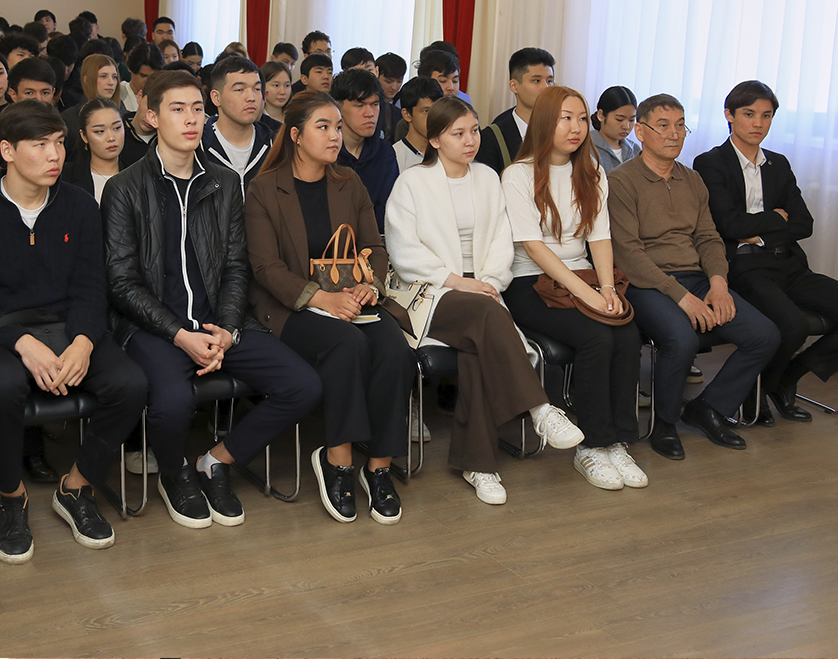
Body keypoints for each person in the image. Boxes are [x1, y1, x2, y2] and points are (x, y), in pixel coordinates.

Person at [101, 70, 321, 530]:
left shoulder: (223, 183)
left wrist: (227, 329)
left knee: (303, 385)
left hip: (219, 322)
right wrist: (179, 335)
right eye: (177, 109)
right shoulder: (125, 188)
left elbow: (237, 266)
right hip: (154, 328)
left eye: (198, 109)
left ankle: (216, 461)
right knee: (173, 402)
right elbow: (122, 283)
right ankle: (174, 474)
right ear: (151, 116)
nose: (190, 119)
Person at [0, 101, 148, 562]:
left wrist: (83, 341)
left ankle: (76, 486)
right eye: (40, 145)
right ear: (7, 151)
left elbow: (92, 287)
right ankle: (10, 496)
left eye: (59, 143)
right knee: (0, 388)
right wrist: (24, 344)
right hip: (0, 331)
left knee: (131, 383)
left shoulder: (79, 205)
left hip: (68, 325)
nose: (54, 155)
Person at [386, 97, 583, 505]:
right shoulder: (412, 182)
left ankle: (479, 464)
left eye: (474, 130)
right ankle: (540, 408)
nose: (470, 140)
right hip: (431, 291)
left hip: (483, 293)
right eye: (458, 133)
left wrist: (489, 282)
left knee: (477, 345)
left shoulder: (488, 177)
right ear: (435, 140)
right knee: (485, 316)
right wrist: (458, 282)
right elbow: (403, 251)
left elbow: (500, 241)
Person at [245, 92, 415, 524]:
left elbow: (374, 246)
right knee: (347, 344)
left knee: (394, 348)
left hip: (350, 298)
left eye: (338, 126)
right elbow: (265, 267)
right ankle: (338, 460)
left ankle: (378, 467)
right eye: (323, 127)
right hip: (291, 307)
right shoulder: (264, 188)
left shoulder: (348, 182)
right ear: (296, 135)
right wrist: (322, 299)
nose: (335, 135)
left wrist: (369, 286)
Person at [693, 81, 838, 424]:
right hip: (745, 267)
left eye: (766, 115)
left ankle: (784, 378)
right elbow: (728, 225)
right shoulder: (710, 162)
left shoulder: (778, 164)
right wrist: (774, 218)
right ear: (729, 115)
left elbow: (804, 224)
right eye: (749, 114)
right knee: (792, 325)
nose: (758, 123)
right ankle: (756, 394)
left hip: (789, 263)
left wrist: (759, 232)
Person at [607, 94, 779, 460]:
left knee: (764, 334)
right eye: (663, 126)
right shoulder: (621, 182)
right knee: (681, 339)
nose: (674, 134)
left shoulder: (693, 180)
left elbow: (708, 238)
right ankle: (664, 423)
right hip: (645, 283)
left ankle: (708, 408)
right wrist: (682, 298)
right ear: (640, 131)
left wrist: (718, 284)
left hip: (696, 277)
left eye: (681, 125)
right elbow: (628, 254)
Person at [501, 87, 646, 491]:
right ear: (545, 121)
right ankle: (592, 446)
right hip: (531, 282)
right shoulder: (518, 175)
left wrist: (607, 288)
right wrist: (588, 295)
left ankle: (617, 441)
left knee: (627, 333)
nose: (576, 127)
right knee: (596, 336)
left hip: (584, 276)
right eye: (566, 118)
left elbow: (599, 237)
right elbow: (534, 247)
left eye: (582, 118)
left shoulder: (592, 171)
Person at [330, 69, 399, 232]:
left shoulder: (385, 152)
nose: (370, 113)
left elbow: (388, 210)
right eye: (359, 105)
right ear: (338, 107)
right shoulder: (326, 151)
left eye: (375, 104)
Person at [201, 55, 275, 194]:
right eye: (240, 90)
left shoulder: (276, 144)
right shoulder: (198, 147)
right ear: (216, 98)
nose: (251, 97)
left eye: (257, 89)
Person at [476, 48, 556, 175]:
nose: (546, 88)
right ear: (514, 86)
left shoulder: (562, 129)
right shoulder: (492, 138)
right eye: (536, 81)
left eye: (549, 81)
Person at [61, 98, 123, 204]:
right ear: (84, 136)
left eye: (117, 128)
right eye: (100, 131)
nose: (111, 138)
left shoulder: (138, 175)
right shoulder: (66, 177)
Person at [393, 77, 443, 172]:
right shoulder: (394, 157)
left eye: (437, 109)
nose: (433, 116)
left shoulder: (448, 152)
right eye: (426, 111)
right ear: (407, 115)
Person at [591, 86, 641, 173]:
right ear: (601, 115)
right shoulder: (586, 147)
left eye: (631, 120)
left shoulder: (635, 149)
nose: (626, 126)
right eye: (619, 119)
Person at [118, 42, 164, 114]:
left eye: (154, 77)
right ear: (130, 68)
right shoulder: (119, 94)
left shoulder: (164, 95)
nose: (149, 81)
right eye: (143, 75)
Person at [259, 59, 292, 129]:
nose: (282, 92)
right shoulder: (256, 119)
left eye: (287, 85)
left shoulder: (295, 117)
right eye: (276, 85)